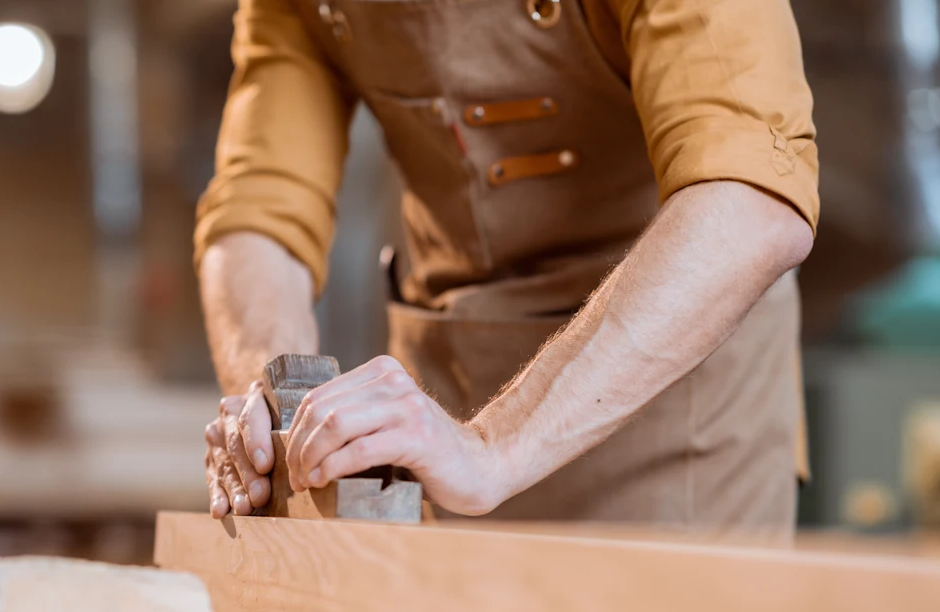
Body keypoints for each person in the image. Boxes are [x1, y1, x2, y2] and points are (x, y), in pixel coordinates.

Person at [197, 0, 818, 528]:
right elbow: (258, 211)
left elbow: (750, 199)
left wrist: (496, 445)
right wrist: (275, 420)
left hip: (674, 410)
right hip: (439, 417)